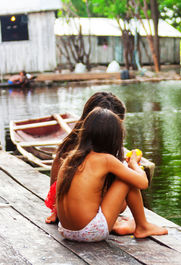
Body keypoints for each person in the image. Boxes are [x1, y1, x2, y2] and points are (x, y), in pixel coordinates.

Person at [56, 107, 168, 242]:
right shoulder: (106, 160)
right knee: (127, 177)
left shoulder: (70, 158)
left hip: (65, 230)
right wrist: (133, 164)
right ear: (113, 138)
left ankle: (127, 224)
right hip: (89, 231)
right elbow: (142, 182)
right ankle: (143, 226)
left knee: (124, 175)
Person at [45, 92, 126, 224]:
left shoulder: (69, 144)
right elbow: (137, 186)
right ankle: (142, 224)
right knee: (127, 181)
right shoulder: (100, 155)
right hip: (86, 217)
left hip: (64, 213)